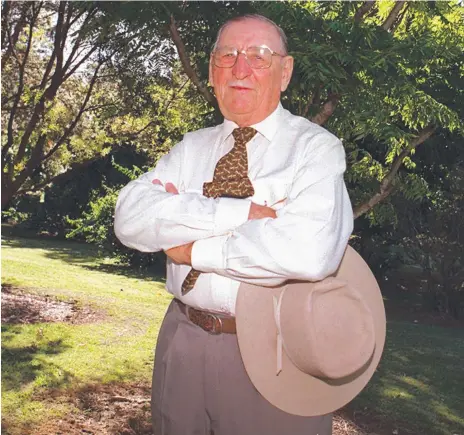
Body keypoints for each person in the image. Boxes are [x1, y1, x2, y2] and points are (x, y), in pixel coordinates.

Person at [114, 14, 353, 435]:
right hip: (182, 340)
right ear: (211, 71)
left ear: (285, 72)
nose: (240, 69)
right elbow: (130, 218)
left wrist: (191, 248)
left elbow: (308, 251)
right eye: (227, 55)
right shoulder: (191, 148)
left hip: (278, 352)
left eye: (259, 56)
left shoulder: (315, 149)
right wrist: (240, 214)